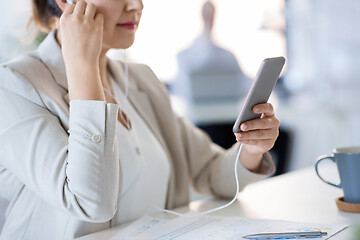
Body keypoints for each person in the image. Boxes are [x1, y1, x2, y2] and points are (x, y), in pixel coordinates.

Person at [0, 0, 279, 239]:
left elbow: (215, 174)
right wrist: (84, 67)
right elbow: (89, 202)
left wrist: (252, 149)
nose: (137, 5)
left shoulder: (140, 79)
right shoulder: (15, 85)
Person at [172, 0, 250, 102]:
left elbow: (244, 84)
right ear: (201, 15)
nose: (209, 17)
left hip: (227, 111)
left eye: (211, 13)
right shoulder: (184, 56)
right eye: (206, 13)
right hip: (195, 115)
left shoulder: (228, 56)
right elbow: (181, 89)